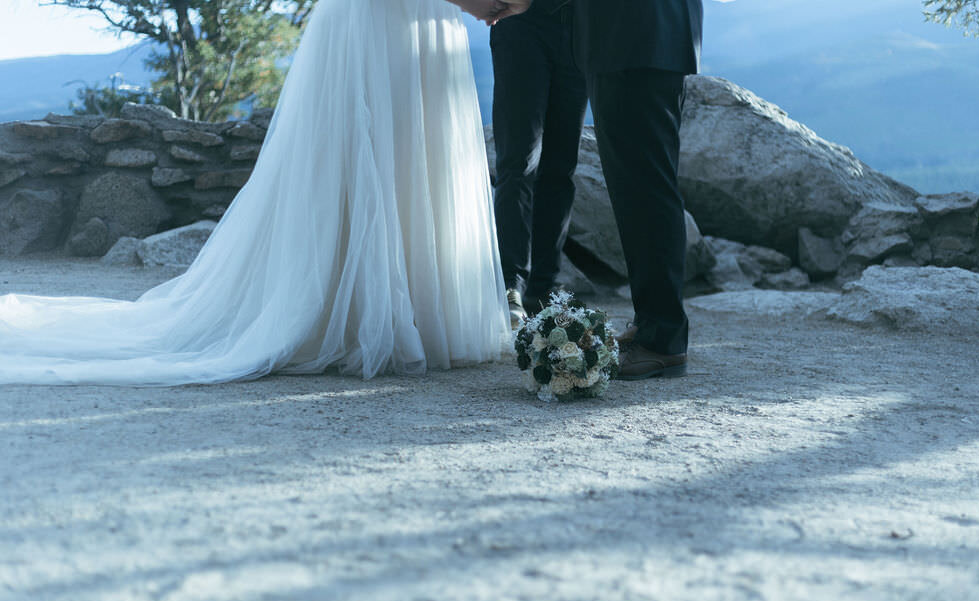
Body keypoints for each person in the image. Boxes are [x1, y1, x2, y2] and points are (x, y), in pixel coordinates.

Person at [0, 0, 514, 386]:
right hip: (380, 21)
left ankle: (409, 311)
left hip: (414, 24)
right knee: (372, 157)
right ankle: (357, 316)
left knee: (403, 154)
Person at [498, 0, 703, 381]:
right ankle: (652, 327)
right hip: (630, 41)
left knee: (646, 190)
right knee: (635, 191)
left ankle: (664, 339)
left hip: (633, 39)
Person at [489, 0, 588, 325]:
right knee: (518, 161)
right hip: (521, 20)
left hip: (579, 24)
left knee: (561, 167)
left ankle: (544, 289)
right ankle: (510, 284)